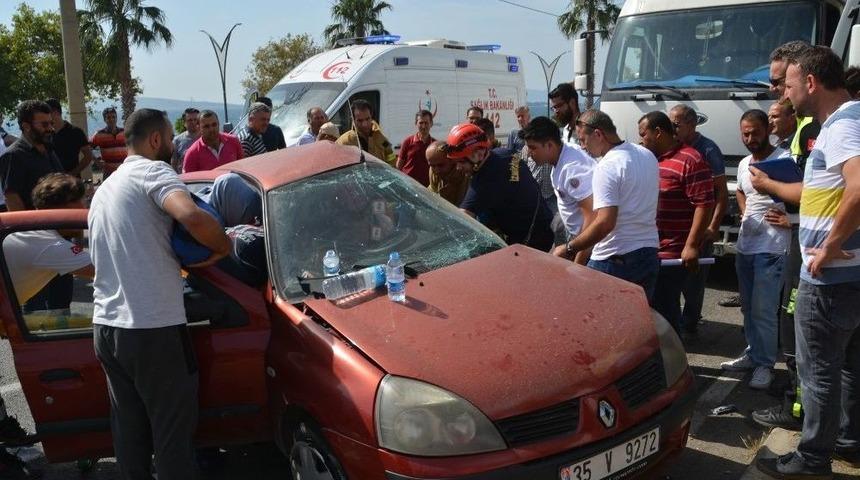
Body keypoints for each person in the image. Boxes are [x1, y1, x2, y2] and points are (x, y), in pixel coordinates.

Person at [89, 108, 231, 480]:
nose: (172, 145)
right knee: (172, 439)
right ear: (156, 140)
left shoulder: (105, 189)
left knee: (130, 435)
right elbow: (192, 217)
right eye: (170, 139)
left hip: (106, 328)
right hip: (152, 330)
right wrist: (223, 246)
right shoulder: (153, 171)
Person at [756, 45, 860, 479]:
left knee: (818, 371)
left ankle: (812, 458)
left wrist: (833, 245)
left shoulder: (841, 125)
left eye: (790, 84)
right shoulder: (847, 121)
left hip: (830, 277)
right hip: (848, 276)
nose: (785, 94)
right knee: (849, 366)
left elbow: (858, 187)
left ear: (812, 83)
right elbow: (830, 191)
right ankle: (848, 440)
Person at [751, 40, 820, 432]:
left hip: (812, 248)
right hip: (803, 237)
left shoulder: (818, 126)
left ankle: (798, 409)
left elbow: (821, 192)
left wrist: (771, 187)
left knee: (797, 323)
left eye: (780, 82)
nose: (777, 91)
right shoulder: (808, 128)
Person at [720, 109, 791, 391]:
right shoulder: (744, 163)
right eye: (745, 133)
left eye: (755, 133)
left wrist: (791, 220)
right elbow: (739, 189)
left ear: (767, 131)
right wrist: (744, 209)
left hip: (773, 248)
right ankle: (753, 354)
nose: (750, 138)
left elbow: (802, 194)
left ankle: (765, 365)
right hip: (746, 246)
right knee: (748, 307)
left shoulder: (783, 161)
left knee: (764, 309)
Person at [566, 109, 660, 302]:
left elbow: (605, 223)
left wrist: (570, 247)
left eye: (583, 140)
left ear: (598, 134)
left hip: (614, 258)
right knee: (638, 323)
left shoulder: (607, 166)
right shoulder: (647, 155)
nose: (582, 147)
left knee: (599, 322)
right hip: (648, 253)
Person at [640, 111, 714, 332]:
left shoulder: (691, 160)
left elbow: (704, 204)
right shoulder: (651, 160)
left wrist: (691, 245)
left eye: (644, 135)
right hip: (651, 248)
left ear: (658, 132)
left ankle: (674, 360)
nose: (641, 140)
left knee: (665, 312)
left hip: (674, 253)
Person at [669, 104, 731, 327]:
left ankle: (691, 322)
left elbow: (721, 193)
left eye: (676, 124)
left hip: (700, 228)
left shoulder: (707, 150)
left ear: (692, 124)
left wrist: (713, 227)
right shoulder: (672, 148)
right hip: (676, 229)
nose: (672, 129)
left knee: (694, 283)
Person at [448, 123, 553, 250]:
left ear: (478, 154)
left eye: (461, 162)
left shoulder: (484, 179)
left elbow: (462, 218)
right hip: (545, 225)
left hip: (529, 242)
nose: (458, 168)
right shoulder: (506, 153)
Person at [3, 173, 93, 305]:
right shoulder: (50, 244)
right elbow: (103, 268)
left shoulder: (28, 228)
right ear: (59, 207)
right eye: (79, 201)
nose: (85, 208)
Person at [519, 116, 596, 264]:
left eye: (533, 147)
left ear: (549, 145)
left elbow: (593, 218)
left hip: (589, 244)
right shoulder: (564, 154)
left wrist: (576, 260)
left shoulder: (572, 169)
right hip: (580, 238)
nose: (529, 153)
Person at [0, 100, 63, 211]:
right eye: (44, 125)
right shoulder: (14, 156)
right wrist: (29, 226)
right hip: (36, 226)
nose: (50, 129)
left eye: (51, 123)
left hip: (57, 221)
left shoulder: (49, 150)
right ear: (26, 126)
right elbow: (12, 198)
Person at [336, 99, 394, 165]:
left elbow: (391, 159)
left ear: (371, 116)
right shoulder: (344, 142)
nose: (365, 124)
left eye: (367, 119)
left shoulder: (381, 139)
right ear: (353, 119)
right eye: (360, 121)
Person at [46, 98, 93, 177]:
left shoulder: (76, 132)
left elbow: (88, 156)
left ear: (55, 112)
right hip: (52, 181)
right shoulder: (46, 134)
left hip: (72, 182)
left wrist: (72, 173)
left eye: (47, 113)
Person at [397, 110, 435, 186]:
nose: (423, 126)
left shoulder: (434, 145)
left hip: (427, 188)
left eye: (426, 123)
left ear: (431, 124)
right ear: (416, 123)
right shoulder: (408, 142)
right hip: (409, 186)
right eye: (421, 123)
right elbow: (399, 166)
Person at [426, 141, 469, 206]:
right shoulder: (433, 170)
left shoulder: (465, 175)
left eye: (441, 165)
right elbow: (432, 191)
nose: (436, 170)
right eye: (432, 166)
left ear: (452, 160)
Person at [90, 106, 127, 176]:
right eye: (108, 117)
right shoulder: (99, 135)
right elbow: (88, 149)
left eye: (114, 117)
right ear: (104, 120)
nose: (111, 119)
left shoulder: (124, 132)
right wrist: (97, 162)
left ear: (116, 118)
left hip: (124, 171)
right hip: (108, 173)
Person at [549, 83, 581, 148]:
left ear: (572, 103)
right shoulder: (566, 130)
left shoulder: (587, 130)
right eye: (554, 108)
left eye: (559, 105)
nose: (556, 111)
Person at [171, 108, 200, 173]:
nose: (193, 122)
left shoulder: (206, 137)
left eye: (195, 119)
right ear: (184, 123)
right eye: (190, 120)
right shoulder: (177, 141)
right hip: (187, 180)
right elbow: (173, 163)